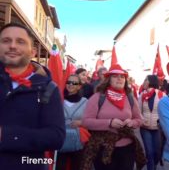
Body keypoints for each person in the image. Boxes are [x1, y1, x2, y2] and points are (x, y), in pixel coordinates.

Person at [0, 23, 65, 170]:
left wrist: (6, 135)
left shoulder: (48, 88)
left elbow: (56, 137)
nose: (12, 46)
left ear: (33, 52)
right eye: (6, 41)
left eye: (20, 42)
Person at [81, 64, 146, 170]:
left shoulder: (130, 97)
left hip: (126, 150)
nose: (119, 79)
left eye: (122, 76)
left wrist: (132, 123)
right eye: (115, 76)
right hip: (103, 148)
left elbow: (139, 120)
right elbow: (86, 121)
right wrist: (109, 123)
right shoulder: (97, 97)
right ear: (108, 79)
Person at [56, 74, 88, 170]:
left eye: (74, 83)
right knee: (59, 167)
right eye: (68, 82)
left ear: (79, 86)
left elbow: (91, 120)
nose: (71, 85)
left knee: (76, 167)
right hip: (60, 139)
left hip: (78, 141)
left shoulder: (85, 102)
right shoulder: (58, 100)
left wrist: (81, 122)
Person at [138, 75, 165, 170]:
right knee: (149, 152)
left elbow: (165, 112)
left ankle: (155, 165)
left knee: (157, 152)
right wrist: (141, 121)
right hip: (145, 128)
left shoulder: (162, 95)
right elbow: (138, 112)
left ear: (150, 82)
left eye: (145, 80)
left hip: (157, 128)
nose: (143, 82)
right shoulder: (141, 95)